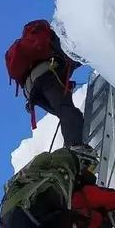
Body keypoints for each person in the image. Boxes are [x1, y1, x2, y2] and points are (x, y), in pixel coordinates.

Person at [5, 20, 95, 161]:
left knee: (64, 112)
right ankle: (75, 150)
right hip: (47, 74)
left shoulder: (36, 51)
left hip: (32, 91)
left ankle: (71, 150)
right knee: (69, 112)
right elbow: (72, 55)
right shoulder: (54, 41)